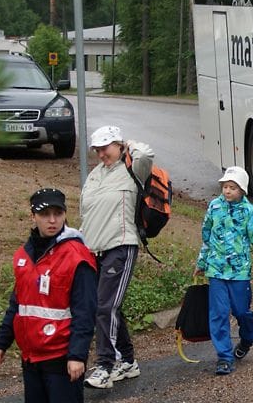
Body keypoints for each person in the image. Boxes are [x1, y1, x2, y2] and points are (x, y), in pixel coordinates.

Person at [0, 188, 97, 403]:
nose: (52, 220)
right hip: (31, 358)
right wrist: (1, 343)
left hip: (61, 359)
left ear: (65, 215)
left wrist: (77, 355)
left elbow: (85, 310)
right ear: (33, 216)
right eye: (44, 214)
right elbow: (18, 304)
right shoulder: (23, 255)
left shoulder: (77, 256)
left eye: (57, 213)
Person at [79, 125, 152, 389]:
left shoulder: (133, 169)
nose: (101, 154)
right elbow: (86, 212)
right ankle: (128, 362)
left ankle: (105, 365)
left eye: (105, 147)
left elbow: (146, 154)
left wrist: (129, 144)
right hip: (94, 249)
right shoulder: (96, 175)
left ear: (119, 145)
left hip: (121, 245)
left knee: (104, 306)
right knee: (109, 306)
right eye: (97, 149)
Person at [193, 166, 253, 376]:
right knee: (218, 314)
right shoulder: (214, 207)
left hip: (239, 273)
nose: (227, 191)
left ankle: (248, 337)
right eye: (225, 186)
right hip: (216, 271)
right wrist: (201, 263)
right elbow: (207, 238)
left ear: (243, 190)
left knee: (241, 312)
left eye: (233, 187)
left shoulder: (248, 212)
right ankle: (224, 357)